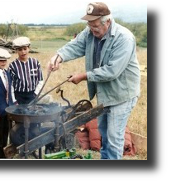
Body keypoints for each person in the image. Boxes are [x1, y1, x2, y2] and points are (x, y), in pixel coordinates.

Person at [47, 2, 140, 159]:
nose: (92, 29)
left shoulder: (124, 38)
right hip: (105, 93)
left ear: (107, 21)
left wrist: (84, 76)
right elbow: (75, 46)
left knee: (114, 138)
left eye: (95, 26)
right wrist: (59, 56)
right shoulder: (91, 31)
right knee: (104, 133)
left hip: (122, 94)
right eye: (89, 25)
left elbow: (112, 71)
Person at [8, 37, 43, 105]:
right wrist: (14, 100)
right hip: (19, 96)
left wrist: (35, 94)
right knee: (20, 114)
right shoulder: (12, 66)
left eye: (25, 49)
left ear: (29, 48)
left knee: (32, 114)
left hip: (32, 94)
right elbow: (10, 85)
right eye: (20, 50)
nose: (23, 52)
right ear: (16, 51)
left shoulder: (35, 63)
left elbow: (40, 80)